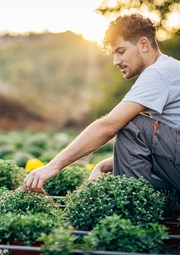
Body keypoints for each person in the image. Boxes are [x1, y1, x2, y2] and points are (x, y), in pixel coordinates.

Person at [23, 13, 180, 194]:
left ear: (144, 44)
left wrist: (52, 166)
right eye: (114, 54)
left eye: (121, 51)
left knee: (132, 125)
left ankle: (130, 210)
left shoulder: (158, 73)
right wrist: (102, 165)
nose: (116, 62)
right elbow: (156, 150)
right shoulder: (168, 68)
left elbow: (109, 125)